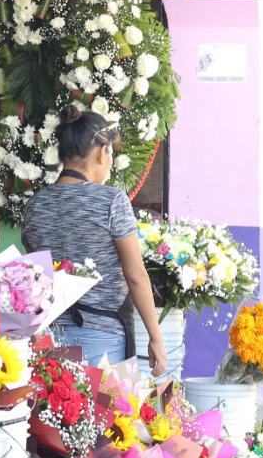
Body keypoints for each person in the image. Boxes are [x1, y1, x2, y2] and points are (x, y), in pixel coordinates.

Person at [22, 109, 167, 376]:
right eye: (110, 152)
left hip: (49, 339)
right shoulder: (111, 201)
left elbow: (34, 279)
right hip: (103, 338)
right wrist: (156, 338)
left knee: (59, 415)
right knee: (108, 416)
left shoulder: (36, 205)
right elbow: (135, 275)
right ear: (102, 153)